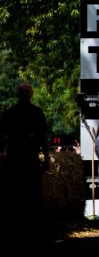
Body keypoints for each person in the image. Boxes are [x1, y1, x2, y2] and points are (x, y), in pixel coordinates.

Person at [0, 83, 50, 223]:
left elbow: (1, 136)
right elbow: (43, 137)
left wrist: (2, 154)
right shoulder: (37, 112)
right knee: (34, 192)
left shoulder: (9, 112)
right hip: (30, 158)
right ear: (31, 94)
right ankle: (33, 221)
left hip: (14, 158)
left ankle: (16, 221)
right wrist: (46, 157)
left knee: (14, 191)